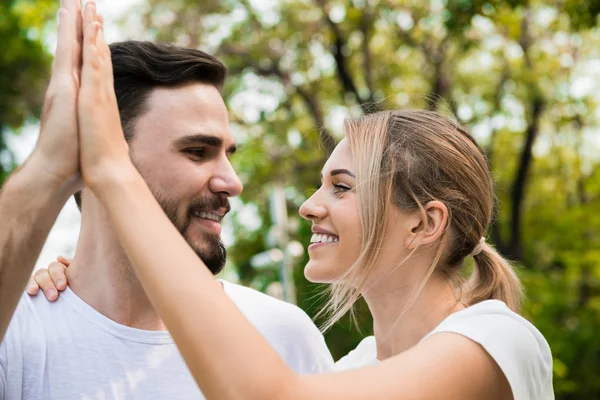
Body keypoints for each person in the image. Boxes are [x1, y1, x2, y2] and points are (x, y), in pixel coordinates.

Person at [27, 2, 555, 399]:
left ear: (423, 223)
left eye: (342, 187)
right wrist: (86, 288)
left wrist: (111, 173)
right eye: (321, 183)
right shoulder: (353, 368)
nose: (309, 205)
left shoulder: (494, 338)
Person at [0, 1, 333, 399]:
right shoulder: (18, 334)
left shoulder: (282, 336)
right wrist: (46, 168)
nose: (232, 181)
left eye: (229, 154)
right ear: (95, 154)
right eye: (197, 151)